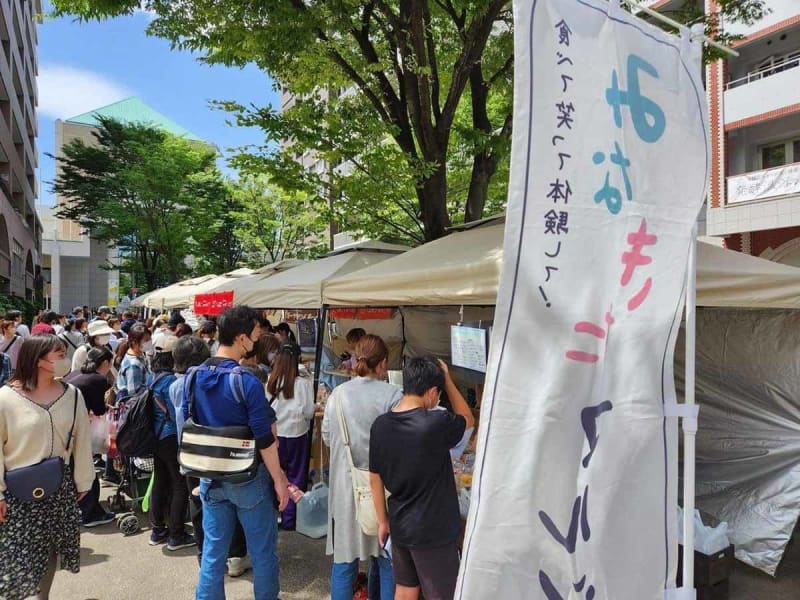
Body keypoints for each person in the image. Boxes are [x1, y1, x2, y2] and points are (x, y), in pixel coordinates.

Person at [184, 305, 289, 600]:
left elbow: (188, 422)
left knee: (213, 554)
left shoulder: (193, 376)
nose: (256, 341)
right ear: (242, 338)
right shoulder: (246, 382)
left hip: (210, 477)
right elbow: (265, 439)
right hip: (248, 478)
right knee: (263, 553)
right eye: (255, 335)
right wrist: (280, 480)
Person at [369, 358, 474, 600]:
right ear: (432, 391)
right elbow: (467, 419)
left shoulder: (380, 425)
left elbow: (375, 477)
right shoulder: (436, 423)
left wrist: (382, 521)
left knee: (405, 590)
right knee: (441, 593)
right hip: (433, 528)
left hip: (400, 524)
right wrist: (447, 379)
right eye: (437, 395)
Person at [0, 335, 93, 599]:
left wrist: (83, 480)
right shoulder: (5, 398)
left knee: (49, 549)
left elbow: (82, 440)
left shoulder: (72, 395)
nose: (65, 359)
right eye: (59, 354)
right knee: (17, 552)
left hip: (58, 487)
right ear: (38, 360)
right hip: (15, 492)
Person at [322, 334, 401, 600]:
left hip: (345, 489)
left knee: (344, 564)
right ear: (383, 364)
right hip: (384, 491)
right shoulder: (393, 395)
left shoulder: (337, 395)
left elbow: (326, 436)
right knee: (386, 561)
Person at [148, 335, 195, 551]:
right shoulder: (172, 382)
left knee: (160, 481)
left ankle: (157, 530)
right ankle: (176, 535)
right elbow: (179, 413)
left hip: (156, 435)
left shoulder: (154, 377)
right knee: (179, 485)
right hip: (169, 437)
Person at [64, 347, 117, 528]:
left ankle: (77, 508)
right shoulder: (98, 379)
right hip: (76, 429)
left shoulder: (76, 373)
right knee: (86, 471)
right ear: (105, 363)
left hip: (62, 427)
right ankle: (90, 513)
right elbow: (99, 409)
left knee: (72, 469)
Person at [170, 337, 211, 565]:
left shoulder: (175, 385)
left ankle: (202, 551)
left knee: (196, 501)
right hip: (209, 452)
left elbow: (179, 422)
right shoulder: (206, 381)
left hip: (187, 452)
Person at [267, 341, 315, 531]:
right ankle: (290, 519)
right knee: (296, 477)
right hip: (297, 435)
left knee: (276, 476)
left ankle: (274, 515)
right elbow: (309, 412)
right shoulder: (303, 384)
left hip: (274, 437)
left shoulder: (270, 381)